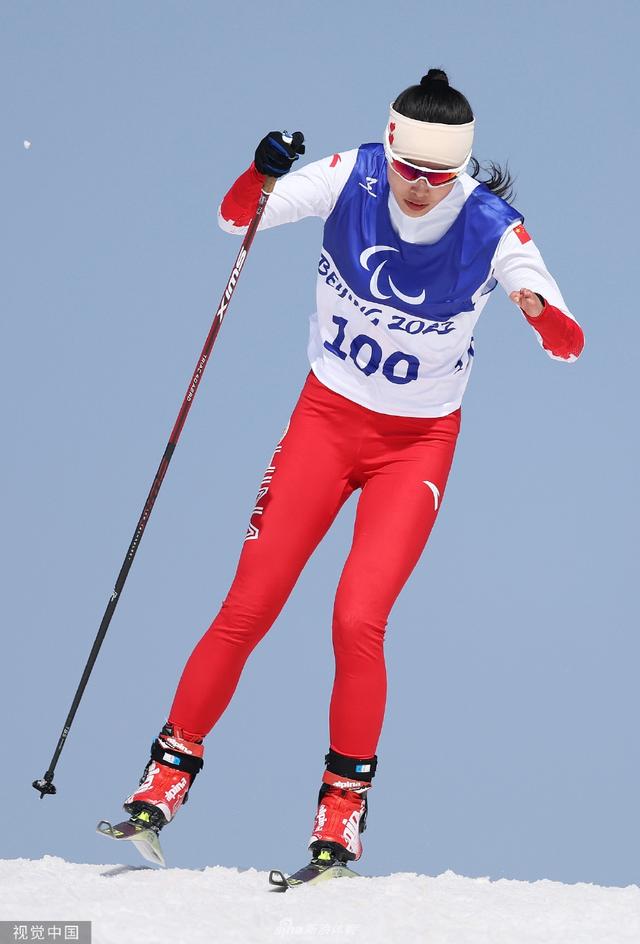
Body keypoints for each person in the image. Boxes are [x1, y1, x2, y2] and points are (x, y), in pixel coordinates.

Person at [122, 69, 584, 868]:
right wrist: (260, 175)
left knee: (356, 619)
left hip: (415, 447)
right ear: (392, 147)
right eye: (410, 168)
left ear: (462, 171)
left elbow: (568, 337)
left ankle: (342, 806)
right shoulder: (353, 176)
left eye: (439, 177)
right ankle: (167, 775)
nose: (418, 188)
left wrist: (541, 315)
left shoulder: (492, 226)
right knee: (249, 605)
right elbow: (237, 219)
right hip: (325, 425)